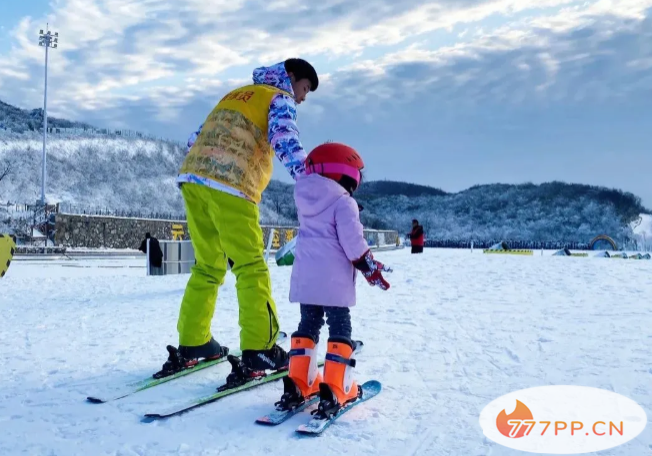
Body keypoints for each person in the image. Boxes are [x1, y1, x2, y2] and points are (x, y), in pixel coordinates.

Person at [154, 58, 319, 379]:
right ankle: (260, 349)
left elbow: (195, 138)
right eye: (304, 88)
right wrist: (311, 179)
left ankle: (193, 342)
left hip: (193, 178)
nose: (302, 97)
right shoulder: (277, 97)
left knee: (208, 266)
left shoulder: (237, 94)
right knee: (250, 266)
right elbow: (284, 139)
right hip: (231, 184)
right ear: (291, 78)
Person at [274, 142, 391, 416]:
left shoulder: (306, 199)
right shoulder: (343, 202)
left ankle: (300, 384)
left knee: (308, 324)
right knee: (339, 327)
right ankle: (337, 388)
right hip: (333, 281)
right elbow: (353, 243)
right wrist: (368, 265)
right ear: (346, 175)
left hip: (306, 279)